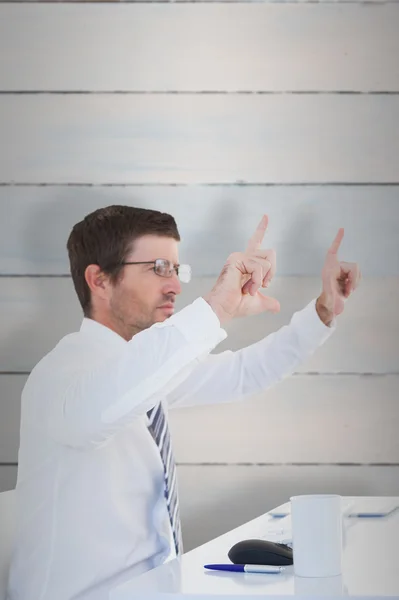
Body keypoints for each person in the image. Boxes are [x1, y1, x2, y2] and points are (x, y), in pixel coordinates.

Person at [7, 205, 361, 600]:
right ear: (99, 279)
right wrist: (216, 309)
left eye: (177, 269)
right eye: (158, 267)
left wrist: (323, 312)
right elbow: (98, 410)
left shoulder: (144, 371)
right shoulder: (60, 375)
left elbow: (244, 373)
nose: (175, 285)